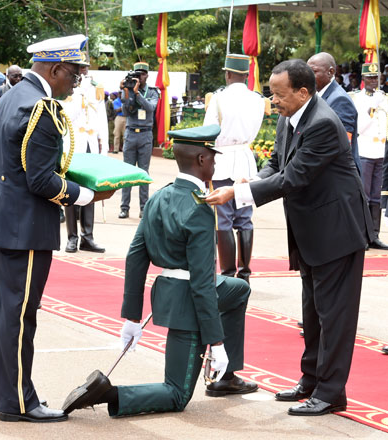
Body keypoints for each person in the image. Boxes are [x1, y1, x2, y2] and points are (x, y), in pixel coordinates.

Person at [206, 59, 372, 416]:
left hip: (337, 231)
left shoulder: (324, 124)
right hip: (312, 230)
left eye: (279, 95)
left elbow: (293, 177)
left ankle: (330, 392)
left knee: (334, 317)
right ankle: (310, 380)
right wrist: (248, 181)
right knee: (312, 313)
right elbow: (277, 164)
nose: (274, 101)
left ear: (302, 91)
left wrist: (239, 193)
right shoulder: (289, 117)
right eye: (271, 93)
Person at [62, 125, 255, 417]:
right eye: (213, 157)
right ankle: (110, 394)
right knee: (176, 394)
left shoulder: (158, 198)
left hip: (167, 294)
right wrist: (216, 342)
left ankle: (225, 378)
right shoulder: (199, 208)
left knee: (238, 289)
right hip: (189, 305)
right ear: (202, 160)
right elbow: (202, 283)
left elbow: (136, 257)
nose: (215, 163)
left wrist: (132, 317)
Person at [0, 34, 114, 423]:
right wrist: (88, 197)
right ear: (56, 69)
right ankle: (19, 403)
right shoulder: (41, 107)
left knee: (3, 314)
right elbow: (41, 180)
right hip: (25, 225)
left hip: (4, 219)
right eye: (75, 75)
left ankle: (8, 397)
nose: (76, 83)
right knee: (19, 317)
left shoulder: (13, 95)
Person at [203, 54, 265, 282]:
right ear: (246, 75)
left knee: (224, 220)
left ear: (227, 74)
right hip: (245, 161)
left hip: (222, 161)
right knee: (245, 219)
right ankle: (245, 274)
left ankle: (228, 274)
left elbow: (208, 133)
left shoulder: (218, 99)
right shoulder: (258, 99)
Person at [61, 54, 108, 253]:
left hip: (90, 144)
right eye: (80, 67)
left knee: (91, 192)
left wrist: (104, 147)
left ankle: (87, 236)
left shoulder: (96, 87)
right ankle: (72, 237)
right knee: (71, 192)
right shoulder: (68, 86)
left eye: (85, 67)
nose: (83, 70)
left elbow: (102, 119)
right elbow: (66, 116)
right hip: (73, 143)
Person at [349, 63, 388, 249]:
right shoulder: (358, 99)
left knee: (377, 196)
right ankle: (361, 235)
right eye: (370, 78)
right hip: (365, 150)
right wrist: (372, 108)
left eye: (376, 77)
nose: (374, 81)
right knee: (363, 195)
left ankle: (375, 235)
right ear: (363, 79)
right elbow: (360, 127)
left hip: (380, 151)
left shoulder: (384, 97)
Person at [307, 53, 361, 175]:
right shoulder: (318, 96)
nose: (308, 77)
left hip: (338, 176)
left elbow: (340, 143)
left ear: (330, 72)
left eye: (313, 72)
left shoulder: (339, 99)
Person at [119, 62, 159, 219]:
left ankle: (144, 208)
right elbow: (126, 111)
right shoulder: (128, 88)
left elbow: (150, 108)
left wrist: (137, 94)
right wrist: (125, 91)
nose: (138, 77)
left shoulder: (153, 92)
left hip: (145, 135)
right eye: (136, 74)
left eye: (141, 74)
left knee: (143, 172)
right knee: (127, 173)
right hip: (130, 134)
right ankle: (124, 207)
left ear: (147, 75)